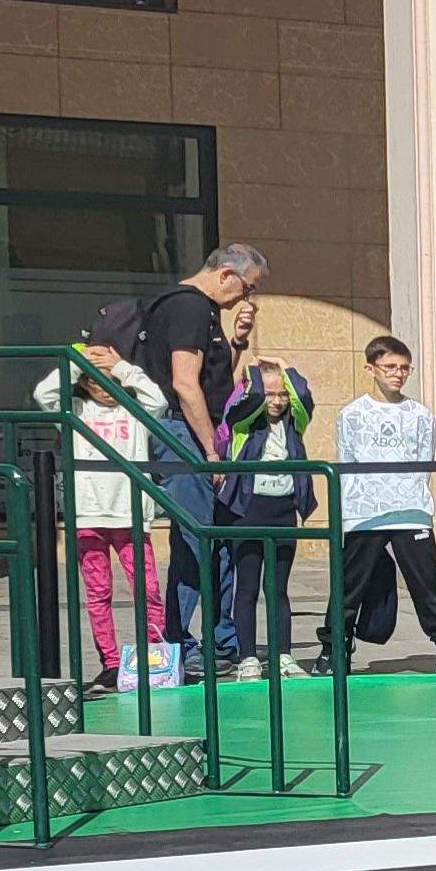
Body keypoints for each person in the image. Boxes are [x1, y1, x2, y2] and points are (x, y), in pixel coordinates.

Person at [120, 245, 263, 670]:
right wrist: (210, 451)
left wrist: (236, 341)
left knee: (212, 542)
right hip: (186, 436)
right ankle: (183, 643)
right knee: (197, 544)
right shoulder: (189, 308)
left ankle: (216, 640)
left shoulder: (196, 310)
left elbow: (214, 379)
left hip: (193, 433)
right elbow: (185, 384)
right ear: (225, 275)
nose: (245, 298)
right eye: (246, 287)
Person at [39, 324, 171, 693]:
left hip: (130, 515)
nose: (105, 387)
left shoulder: (134, 410)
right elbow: (43, 393)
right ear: (83, 384)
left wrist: (121, 366)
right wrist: (77, 360)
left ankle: (154, 657)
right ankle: (110, 663)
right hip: (88, 515)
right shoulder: (74, 411)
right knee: (98, 594)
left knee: (146, 589)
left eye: (110, 380)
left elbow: (157, 399)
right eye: (96, 381)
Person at [332, 335, 436, 672]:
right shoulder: (352, 414)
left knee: (426, 582)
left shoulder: (420, 414)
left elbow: (424, 463)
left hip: (410, 511)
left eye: (404, 368)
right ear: (370, 368)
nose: (398, 374)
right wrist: (350, 510)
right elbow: (346, 461)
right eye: (390, 367)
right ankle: (334, 647)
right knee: (349, 584)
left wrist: (412, 497)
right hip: (364, 514)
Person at [212, 353, 319, 680]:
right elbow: (252, 398)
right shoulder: (244, 423)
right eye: (270, 393)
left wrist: (285, 365)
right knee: (247, 587)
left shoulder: (294, 423)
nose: (276, 401)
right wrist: (255, 376)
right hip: (248, 510)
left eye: (281, 394)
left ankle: (283, 656)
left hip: (283, 510)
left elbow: (303, 396)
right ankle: (247, 657)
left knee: (278, 589)